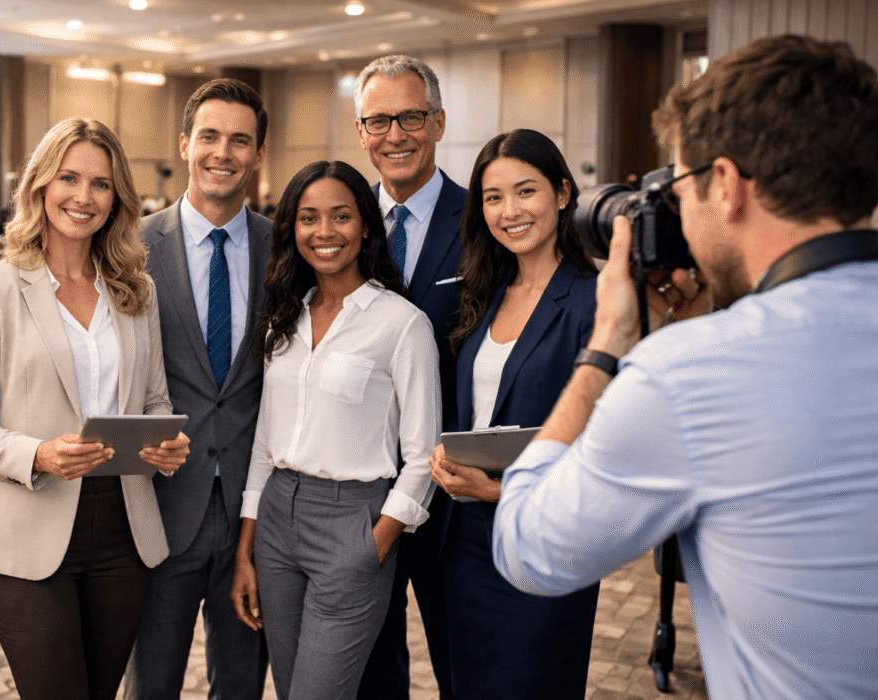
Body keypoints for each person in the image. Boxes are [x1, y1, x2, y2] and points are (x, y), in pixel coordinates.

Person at [491, 35, 878, 700]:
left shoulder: (689, 372)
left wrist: (607, 345)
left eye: (677, 186)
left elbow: (531, 549)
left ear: (724, 185)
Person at [0, 117, 190, 700]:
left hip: (124, 531)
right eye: (69, 178)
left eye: (101, 184)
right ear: (41, 185)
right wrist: (37, 454)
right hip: (26, 528)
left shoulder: (137, 290)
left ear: (117, 198)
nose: (84, 196)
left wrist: (166, 445)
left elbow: (156, 401)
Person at [231, 160, 441, 700]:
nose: (324, 232)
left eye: (341, 216)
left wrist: (376, 544)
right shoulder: (285, 317)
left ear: (366, 225)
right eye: (308, 218)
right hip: (276, 523)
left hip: (353, 523)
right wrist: (246, 549)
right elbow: (264, 443)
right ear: (292, 228)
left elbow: (424, 456)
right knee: (290, 689)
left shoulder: (402, 323)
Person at [428, 129, 599, 698]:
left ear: (563, 193)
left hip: (544, 540)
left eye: (526, 191)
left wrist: (497, 490)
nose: (509, 211)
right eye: (493, 197)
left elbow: (604, 451)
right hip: (466, 544)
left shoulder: (594, 300)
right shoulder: (487, 289)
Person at [125, 77, 270, 700]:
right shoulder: (129, 246)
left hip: (253, 517)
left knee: (240, 685)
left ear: (258, 154)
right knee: (150, 684)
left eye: (240, 140)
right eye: (209, 136)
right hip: (160, 506)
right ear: (185, 144)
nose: (223, 152)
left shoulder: (285, 248)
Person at [352, 54, 463, 700]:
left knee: (461, 661)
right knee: (371, 668)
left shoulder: (482, 221)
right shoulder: (339, 225)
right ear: (361, 132)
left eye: (411, 117)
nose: (395, 135)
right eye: (379, 121)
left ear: (439, 123)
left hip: (453, 491)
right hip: (359, 490)